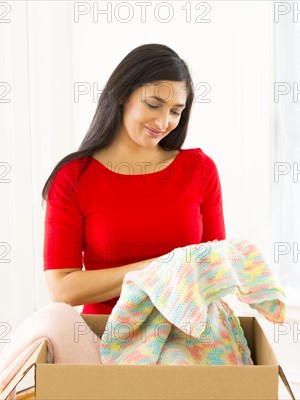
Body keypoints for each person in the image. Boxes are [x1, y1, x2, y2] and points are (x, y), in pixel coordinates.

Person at [41, 43, 226, 315]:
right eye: (153, 104)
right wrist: (157, 269)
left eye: (175, 111)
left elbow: (215, 268)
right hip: (103, 338)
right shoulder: (74, 178)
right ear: (123, 95)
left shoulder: (199, 170)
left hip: (187, 335)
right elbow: (62, 289)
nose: (164, 122)